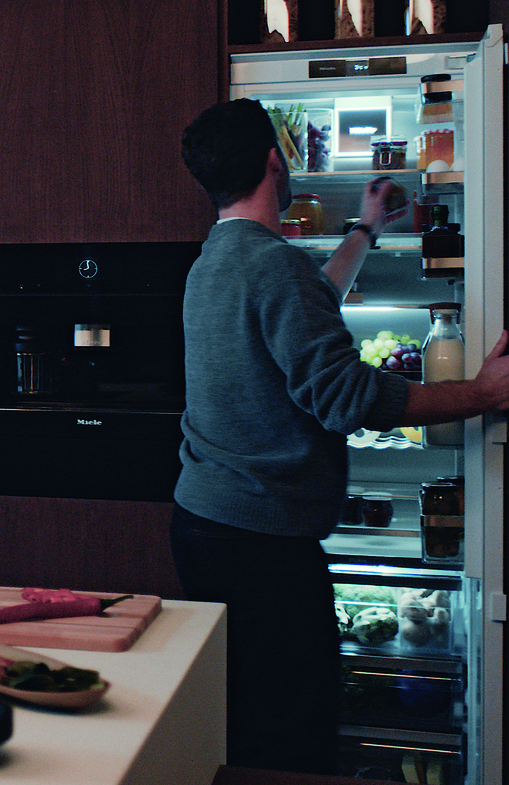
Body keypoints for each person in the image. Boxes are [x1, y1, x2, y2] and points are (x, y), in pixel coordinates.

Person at [172, 98, 509, 774]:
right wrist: (481, 393)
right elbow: (349, 399)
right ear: (275, 162)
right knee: (290, 738)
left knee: (243, 719)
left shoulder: (216, 260)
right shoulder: (275, 267)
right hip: (264, 545)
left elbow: (306, 307)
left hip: (205, 523)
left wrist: (365, 227)